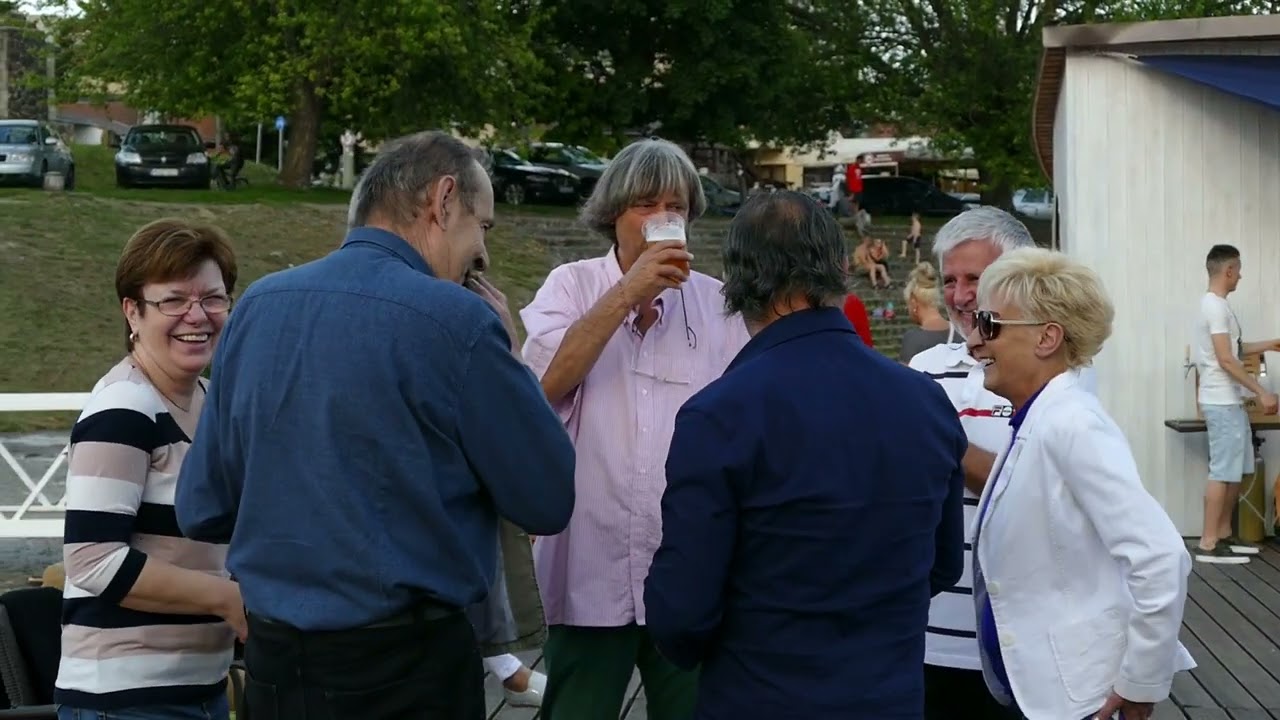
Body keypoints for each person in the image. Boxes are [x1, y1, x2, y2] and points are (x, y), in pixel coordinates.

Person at [175, 131, 577, 720]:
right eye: (482, 227)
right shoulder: (457, 321)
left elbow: (202, 507)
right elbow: (546, 496)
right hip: (406, 669)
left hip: (276, 666)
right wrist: (510, 359)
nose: (482, 254)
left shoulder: (258, 306)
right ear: (442, 201)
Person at [644, 191, 965, 719]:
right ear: (840, 270)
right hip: (888, 697)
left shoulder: (721, 414)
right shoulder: (924, 400)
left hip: (761, 696)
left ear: (738, 282)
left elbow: (681, 614)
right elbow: (943, 563)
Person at [520, 137, 751, 720]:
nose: (661, 220)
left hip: (686, 566)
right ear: (612, 214)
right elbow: (543, 385)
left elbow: (746, 421)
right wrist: (628, 294)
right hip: (587, 562)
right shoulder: (570, 285)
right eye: (645, 205)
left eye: (674, 207)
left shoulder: (718, 303)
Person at [967, 247, 1195, 720]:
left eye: (989, 324)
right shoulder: (1039, 418)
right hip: (1044, 691)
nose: (974, 341)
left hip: (1079, 700)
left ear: (1047, 337)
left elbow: (1159, 557)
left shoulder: (1071, 424)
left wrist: (1140, 681)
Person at [908, 206, 1098, 720]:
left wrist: (944, 441)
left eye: (976, 278)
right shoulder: (922, 369)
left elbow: (1044, 484)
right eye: (949, 279)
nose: (961, 294)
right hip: (930, 631)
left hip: (1025, 635)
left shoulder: (1059, 369)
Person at [57, 219, 244, 720]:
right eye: (174, 300)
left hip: (198, 690)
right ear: (131, 311)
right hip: (124, 702)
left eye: (213, 298)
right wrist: (229, 600)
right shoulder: (125, 406)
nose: (197, 315)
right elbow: (93, 560)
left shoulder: (213, 403)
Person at [1192, 244, 1280, 564]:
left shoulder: (1220, 307)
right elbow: (1226, 360)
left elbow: (1238, 349)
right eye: (1238, 270)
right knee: (1222, 471)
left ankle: (1224, 535)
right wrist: (1261, 392)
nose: (1240, 276)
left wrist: (1270, 343)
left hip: (1231, 401)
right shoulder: (1214, 307)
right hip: (1221, 400)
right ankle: (1208, 542)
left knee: (1235, 471)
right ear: (1228, 270)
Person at [898, 262, 951, 363]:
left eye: (908, 304)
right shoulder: (959, 332)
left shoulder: (912, 339)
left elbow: (903, 377)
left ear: (914, 302)